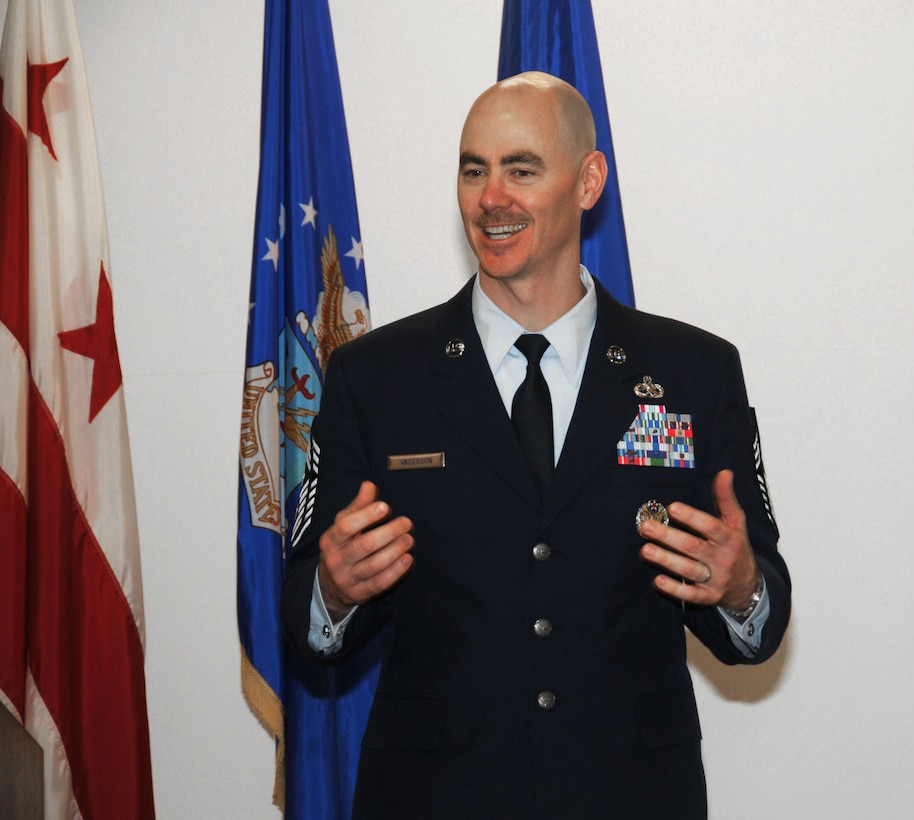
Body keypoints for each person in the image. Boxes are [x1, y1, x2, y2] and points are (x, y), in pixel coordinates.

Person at [283, 72, 791, 819]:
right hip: (434, 796)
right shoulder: (376, 376)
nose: (492, 198)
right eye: (472, 169)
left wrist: (741, 586)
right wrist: (332, 589)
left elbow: (758, 628)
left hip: (631, 795)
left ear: (588, 182)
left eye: (521, 169)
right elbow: (305, 620)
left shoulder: (691, 372)